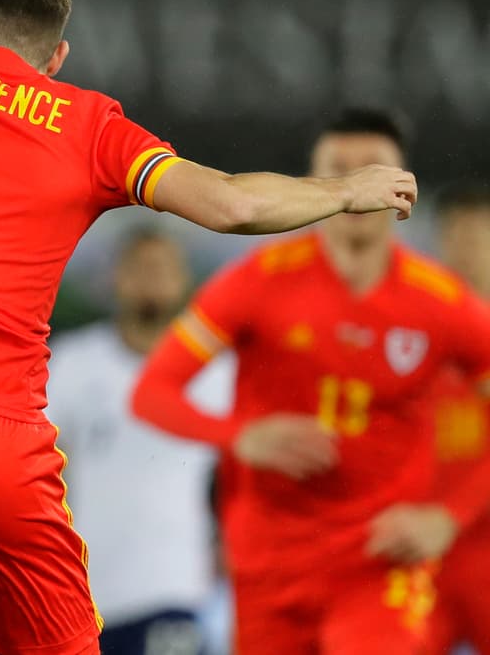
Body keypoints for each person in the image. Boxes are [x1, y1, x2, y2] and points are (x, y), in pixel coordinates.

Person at [0, 0, 418, 655]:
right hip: (2, 451)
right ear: (57, 54)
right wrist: (342, 191)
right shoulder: (88, 125)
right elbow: (232, 203)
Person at [131, 109, 490, 654]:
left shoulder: (440, 303)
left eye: (373, 169)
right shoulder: (256, 283)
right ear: (313, 182)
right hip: (267, 569)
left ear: (403, 186)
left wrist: (450, 515)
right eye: (339, 169)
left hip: (379, 566)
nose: (359, 184)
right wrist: (240, 435)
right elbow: (151, 393)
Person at [46, 227, 232, 655]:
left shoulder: (217, 374)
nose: (151, 279)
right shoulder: (73, 365)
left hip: (178, 587)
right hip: (87, 595)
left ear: (183, 279)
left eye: (163, 268)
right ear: (116, 279)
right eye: (139, 268)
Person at [427, 182, 490, 654]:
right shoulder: (417, 334)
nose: (465, 251)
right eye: (455, 236)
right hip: (426, 551)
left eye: (477, 236)